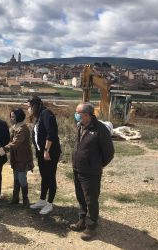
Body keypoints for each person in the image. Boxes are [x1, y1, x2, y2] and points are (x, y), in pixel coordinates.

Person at [69, 102, 114, 241]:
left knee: (91, 199)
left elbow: (109, 153)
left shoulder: (100, 129)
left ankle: (91, 226)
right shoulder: (80, 126)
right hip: (77, 169)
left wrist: (96, 165)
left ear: (87, 115)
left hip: (91, 172)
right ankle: (82, 220)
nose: (76, 115)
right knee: (81, 197)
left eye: (78, 113)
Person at [0, 108, 33, 207]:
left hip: (23, 158)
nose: (11, 118)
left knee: (22, 178)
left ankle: (26, 200)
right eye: (11, 116)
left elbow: (14, 144)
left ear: (18, 117)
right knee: (16, 178)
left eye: (13, 116)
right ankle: (15, 198)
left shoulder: (23, 129)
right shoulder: (15, 127)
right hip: (16, 158)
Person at [27, 96, 61, 215]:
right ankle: (42, 200)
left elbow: (51, 133)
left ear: (34, 106)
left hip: (50, 153)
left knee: (50, 177)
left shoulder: (47, 114)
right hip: (42, 153)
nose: (28, 109)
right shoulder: (39, 116)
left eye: (29, 107)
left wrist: (46, 150)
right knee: (44, 176)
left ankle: (49, 203)